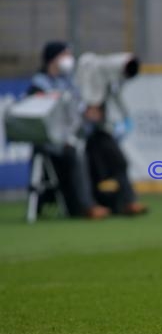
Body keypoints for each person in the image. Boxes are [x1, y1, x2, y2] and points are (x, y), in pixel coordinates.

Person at [27, 41, 110, 219]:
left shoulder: (69, 82)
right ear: (52, 59)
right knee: (76, 154)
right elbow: (38, 120)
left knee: (105, 143)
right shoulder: (38, 85)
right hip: (52, 141)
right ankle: (86, 205)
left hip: (75, 135)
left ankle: (118, 200)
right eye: (64, 55)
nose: (68, 59)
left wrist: (90, 114)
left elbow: (78, 110)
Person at [75, 52, 147, 216]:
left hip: (98, 132)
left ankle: (128, 201)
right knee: (84, 165)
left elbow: (102, 109)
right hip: (78, 136)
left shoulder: (106, 80)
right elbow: (88, 109)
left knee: (119, 161)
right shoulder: (88, 74)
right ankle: (89, 206)